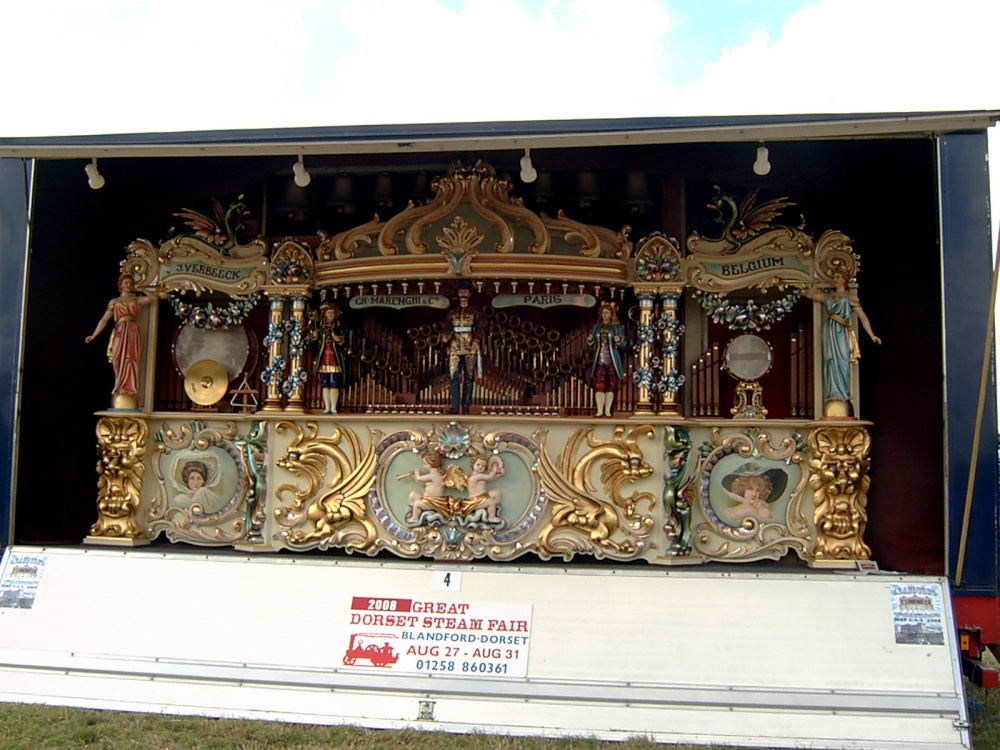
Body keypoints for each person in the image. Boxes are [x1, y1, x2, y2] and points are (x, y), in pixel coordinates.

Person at [804, 270, 881, 416]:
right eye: (834, 277)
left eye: (838, 277)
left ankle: (843, 394)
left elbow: (863, 318)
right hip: (829, 331)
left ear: (844, 280)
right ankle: (833, 394)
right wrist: (817, 284)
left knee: (842, 362)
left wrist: (871, 335)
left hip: (841, 331)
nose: (835, 279)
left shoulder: (851, 297)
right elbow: (810, 295)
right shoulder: (829, 297)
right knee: (830, 361)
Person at [85, 273, 156, 409]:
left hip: (132, 331)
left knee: (131, 359)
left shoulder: (136, 300)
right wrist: (94, 335)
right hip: (119, 331)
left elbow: (153, 298)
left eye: (130, 283)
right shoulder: (114, 302)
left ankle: (130, 389)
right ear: (120, 285)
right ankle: (119, 387)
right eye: (126, 283)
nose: (128, 285)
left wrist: (143, 288)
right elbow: (104, 319)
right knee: (119, 360)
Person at [440, 282, 483, 414]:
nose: (463, 294)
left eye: (465, 292)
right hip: (454, 345)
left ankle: (466, 407)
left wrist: (476, 340)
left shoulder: (476, 310)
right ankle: (454, 407)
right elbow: (446, 325)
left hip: (470, 345)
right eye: (461, 292)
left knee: (469, 378)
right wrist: (445, 335)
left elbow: (482, 325)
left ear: (469, 294)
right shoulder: (452, 311)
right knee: (454, 377)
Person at [586, 301, 627, 417]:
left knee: (611, 385)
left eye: (607, 313)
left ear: (611, 314)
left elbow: (624, 344)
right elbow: (591, 341)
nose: (605, 315)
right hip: (600, 359)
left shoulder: (616, 327)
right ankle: (599, 410)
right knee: (599, 384)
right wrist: (590, 339)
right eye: (603, 313)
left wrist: (619, 340)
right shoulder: (597, 327)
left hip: (612, 359)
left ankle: (607, 410)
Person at [315, 302, 347, 414]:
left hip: (335, 358)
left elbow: (344, 342)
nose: (330, 315)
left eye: (332, 313)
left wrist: (338, 338)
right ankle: (327, 407)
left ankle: (333, 407)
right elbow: (315, 342)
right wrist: (314, 336)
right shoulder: (320, 329)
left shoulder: (339, 329)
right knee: (325, 384)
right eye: (328, 313)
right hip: (324, 357)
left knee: (334, 384)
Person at [406, 449, 449, 523]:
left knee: (417, 503)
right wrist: (415, 477)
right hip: (427, 500)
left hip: (434, 502)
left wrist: (417, 473)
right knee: (413, 494)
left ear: (432, 464)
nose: (424, 466)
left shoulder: (435, 475)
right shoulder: (431, 475)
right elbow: (422, 484)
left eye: (425, 464)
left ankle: (415, 518)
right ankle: (414, 511)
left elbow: (420, 478)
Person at [466, 453, 505, 525]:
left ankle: (490, 509)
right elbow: (490, 476)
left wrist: (499, 474)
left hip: (483, 496)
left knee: (496, 493)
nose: (480, 467)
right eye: (478, 465)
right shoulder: (475, 477)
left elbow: (491, 479)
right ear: (473, 465)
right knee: (491, 502)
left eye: (483, 466)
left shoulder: (481, 476)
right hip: (475, 500)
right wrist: (494, 468)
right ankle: (491, 517)